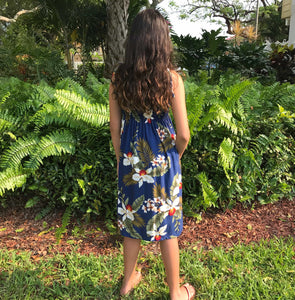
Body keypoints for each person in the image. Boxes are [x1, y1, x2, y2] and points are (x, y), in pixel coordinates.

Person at [109, 8, 195, 300]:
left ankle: (127, 281)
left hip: (131, 159)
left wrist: (123, 159)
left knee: (132, 222)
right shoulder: (172, 80)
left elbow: (115, 124)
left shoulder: (118, 78)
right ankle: (175, 292)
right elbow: (183, 134)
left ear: (133, 40)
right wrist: (176, 157)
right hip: (163, 160)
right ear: (162, 42)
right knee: (167, 223)